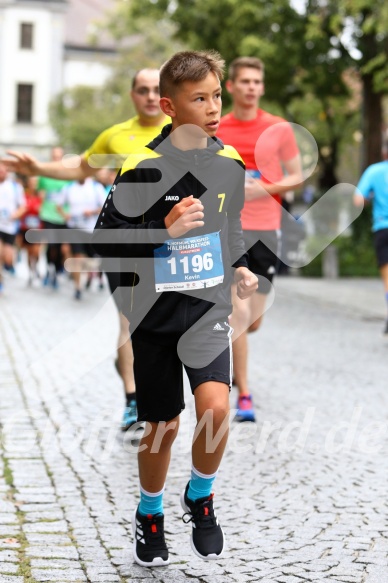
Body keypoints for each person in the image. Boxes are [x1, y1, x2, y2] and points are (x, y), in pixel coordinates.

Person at [92, 50, 258, 567]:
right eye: (199, 99)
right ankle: (149, 513)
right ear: (169, 105)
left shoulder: (229, 163)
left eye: (216, 96)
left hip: (207, 311)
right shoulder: (143, 166)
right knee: (161, 429)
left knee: (215, 408)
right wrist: (161, 231)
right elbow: (106, 239)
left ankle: (201, 496)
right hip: (154, 317)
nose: (213, 108)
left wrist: (239, 267)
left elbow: (228, 232)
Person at [3, 69, 168, 430]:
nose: (151, 96)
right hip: (123, 236)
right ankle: (132, 398)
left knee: (160, 324)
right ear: (132, 95)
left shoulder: (183, 130)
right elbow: (81, 167)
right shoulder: (115, 135)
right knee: (130, 318)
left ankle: (147, 381)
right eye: (143, 90)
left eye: (157, 89)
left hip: (170, 240)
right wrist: (38, 167)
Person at [217, 56, 303, 422]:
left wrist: (259, 190)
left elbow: (297, 177)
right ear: (232, 87)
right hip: (229, 228)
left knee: (253, 321)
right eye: (245, 81)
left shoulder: (278, 129)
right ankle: (244, 393)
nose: (251, 87)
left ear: (262, 87)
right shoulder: (218, 127)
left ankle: (238, 360)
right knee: (239, 312)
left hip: (268, 228)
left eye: (257, 81)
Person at [354, 144, 388, 335]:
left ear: (384, 152)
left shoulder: (374, 171)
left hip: (383, 229)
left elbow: (358, 200)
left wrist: (371, 197)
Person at [56, 177, 106, 300]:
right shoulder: (68, 187)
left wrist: (93, 211)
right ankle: (77, 287)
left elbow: (105, 207)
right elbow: (58, 206)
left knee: (91, 260)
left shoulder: (96, 187)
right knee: (77, 257)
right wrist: (65, 216)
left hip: (91, 230)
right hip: (75, 229)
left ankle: (91, 275)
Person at [37, 147, 71, 289]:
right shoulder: (44, 175)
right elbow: (41, 193)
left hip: (64, 217)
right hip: (48, 215)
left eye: (59, 157)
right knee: (51, 244)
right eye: (54, 156)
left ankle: (57, 270)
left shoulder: (69, 174)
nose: (56, 159)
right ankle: (50, 269)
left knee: (60, 247)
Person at [0, 163, 26, 293]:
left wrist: (16, 214)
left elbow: (23, 207)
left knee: (8, 258)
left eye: (3, 170)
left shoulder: (15, 187)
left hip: (9, 227)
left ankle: (6, 269)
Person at [17, 175, 42, 285]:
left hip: (38, 228)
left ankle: (35, 266)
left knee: (36, 251)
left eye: (35, 183)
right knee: (28, 251)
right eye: (32, 182)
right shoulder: (24, 196)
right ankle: (30, 273)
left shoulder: (41, 197)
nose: (33, 185)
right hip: (26, 228)